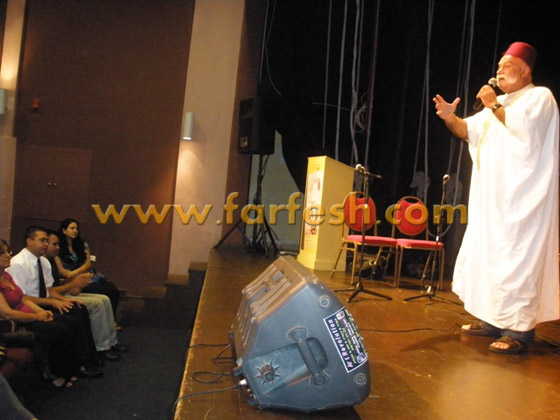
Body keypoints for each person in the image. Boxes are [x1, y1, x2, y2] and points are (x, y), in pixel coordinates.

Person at [433, 42, 559, 354]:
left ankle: (518, 331)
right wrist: (450, 117)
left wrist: (493, 106)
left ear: (525, 70)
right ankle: (491, 320)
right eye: (499, 67)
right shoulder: (497, 104)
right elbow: (467, 130)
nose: (499, 71)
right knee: (489, 258)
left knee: (518, 262)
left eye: (507, 66)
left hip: (524, 202)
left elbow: (527, 131)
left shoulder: (539, 97)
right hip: (492, 202)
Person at [5, 227, 103, 377]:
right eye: (42, 240)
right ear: (29, 241)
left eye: (46, 241)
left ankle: (88, 357)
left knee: (77, 308)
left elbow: (49, 290)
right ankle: (72, 366)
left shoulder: (44, 261)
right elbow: (23, 298)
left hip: (42, 303)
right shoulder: (18, 263)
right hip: (32, 307)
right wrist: (50, 304)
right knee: (67, 324)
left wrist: (62, 300)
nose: (46, 244)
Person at [1, 238, 77, 387]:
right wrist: (37, 316)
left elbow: (23, 299)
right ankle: (54, 372)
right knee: (60, 330)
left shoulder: (5, 275)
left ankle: (69, 369)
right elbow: (8, 314)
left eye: (8, 251)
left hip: (30, 314)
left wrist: (43, 313)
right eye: (2, 253)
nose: (8, 255)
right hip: (17, 322)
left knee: (70, 321)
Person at [45, 230, 128, 360]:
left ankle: (111, 342)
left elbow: (56, 283)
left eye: (58, 244)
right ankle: (101, 347)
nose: (58, 247)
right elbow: (49, 292)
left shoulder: (47, 262)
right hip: (52, 298)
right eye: (53, 244)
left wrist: (74, 283)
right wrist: (73, 284)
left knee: (105, 299)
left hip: (61, 292)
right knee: (97, 304)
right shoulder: (42, 262)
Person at [55, 219, 121, 329]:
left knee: (113, 290)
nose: (75, 231)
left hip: (87, 273)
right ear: (64, 230)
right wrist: (74, 275)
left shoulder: (82, 243)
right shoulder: (58, 247)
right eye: (72, 228)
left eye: (76, 228)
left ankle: (112, 321)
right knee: (100, 292)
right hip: (74, 279)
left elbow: (87, 263)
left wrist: (75, 272)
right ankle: (104, 323)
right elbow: (61, 270)